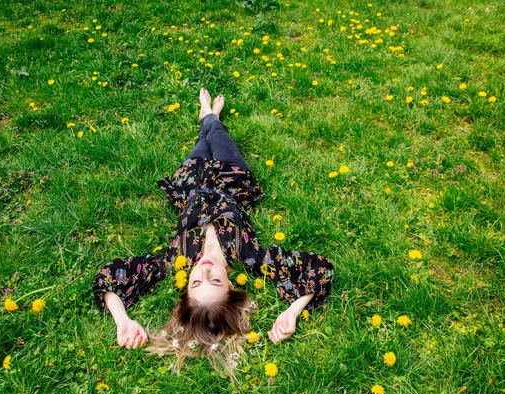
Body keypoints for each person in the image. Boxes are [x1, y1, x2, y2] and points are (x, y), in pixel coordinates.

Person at [92, 88, 334, 375]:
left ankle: (206, 115)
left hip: (190, 179)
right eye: (215, 281)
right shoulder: (250, 258)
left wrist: (122, 320)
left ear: (185, 287)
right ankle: (210, 115)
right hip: (232, 177)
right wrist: (292, 311)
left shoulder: (175, 260)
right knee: (217, 134)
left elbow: (108, 277)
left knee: (203, 142)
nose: (205, 270)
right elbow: (319, 269)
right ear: (231, 286)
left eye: (196, 283)